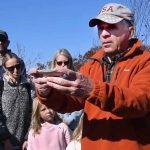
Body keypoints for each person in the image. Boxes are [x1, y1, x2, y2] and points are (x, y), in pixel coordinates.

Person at [30, 3, 150, 150]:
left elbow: (141, 102)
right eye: (100, 27)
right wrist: (47, 92)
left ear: (130, 31)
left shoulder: (145, 61)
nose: (104, 33)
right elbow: (68, 103)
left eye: (111, 26)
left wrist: (93, 89)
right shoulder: (91, 66)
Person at [0, 52, 32, 150]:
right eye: (11, 68)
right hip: (4, 144)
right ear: (5, 69)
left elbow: (32, 113)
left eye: (18, 66)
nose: (15, 70)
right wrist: (5, 139)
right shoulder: (1, 85)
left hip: (25, 143)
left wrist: (28, 137)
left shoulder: (28, 85)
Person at [51, 48, 83, 131]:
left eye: (66, 62)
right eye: (59, 63)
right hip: (55, 127)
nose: (63, 65)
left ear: (70, 63)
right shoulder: (49, 81)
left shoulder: (77, 80)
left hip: (74, 128)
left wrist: (68, 121)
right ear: (54, 63)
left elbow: (80, 104)